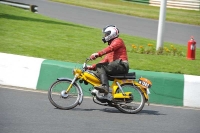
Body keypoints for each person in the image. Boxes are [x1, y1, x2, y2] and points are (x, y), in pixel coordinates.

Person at [87, 25, 129, 96]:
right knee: (98, 71)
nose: (105, 36)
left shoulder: (118, 41)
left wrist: (98, 54)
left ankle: (105, 87)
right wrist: (91, 67)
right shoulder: (112, 47)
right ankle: (103, 93)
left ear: (111, 34)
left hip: (122, 65)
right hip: (116, 65)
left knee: (100, 67)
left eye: (106, 34)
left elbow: (110, 48)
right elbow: (104, 61)